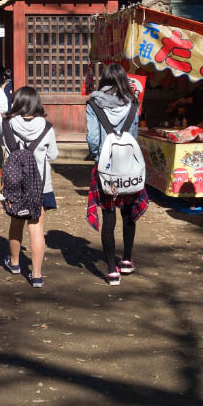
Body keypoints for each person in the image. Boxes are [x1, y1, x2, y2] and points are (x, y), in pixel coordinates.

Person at [85, 63, 147, 284]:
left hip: (106, 169)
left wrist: (97, 156)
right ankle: (127, 260)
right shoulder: (133, 103)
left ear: (104, 79)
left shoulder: (94, 103)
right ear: (122, 80)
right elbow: (134, 135)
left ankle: (112, 270)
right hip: (128, 166)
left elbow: (93, 138)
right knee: (129, 213)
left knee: (108, 215)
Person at [1, 87, 59, 288]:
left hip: (15, 185)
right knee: (36, 227)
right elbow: (53, 155)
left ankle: (15, 263)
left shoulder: (7, 125)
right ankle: (36, 275)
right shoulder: (47, 127)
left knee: (16, 223)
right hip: (41, 185)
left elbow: (4, 147)